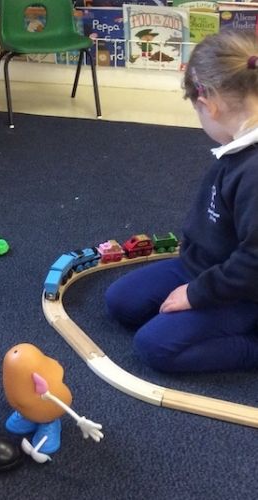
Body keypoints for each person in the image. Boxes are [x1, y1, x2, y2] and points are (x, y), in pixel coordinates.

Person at [105, 30, 258, 373]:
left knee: (154, 347)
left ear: (208, 105)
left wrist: (194, 295)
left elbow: (253, 264)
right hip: (204, 266)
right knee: (121, 302)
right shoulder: (239, 147)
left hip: (244, 290)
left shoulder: (254, 171)